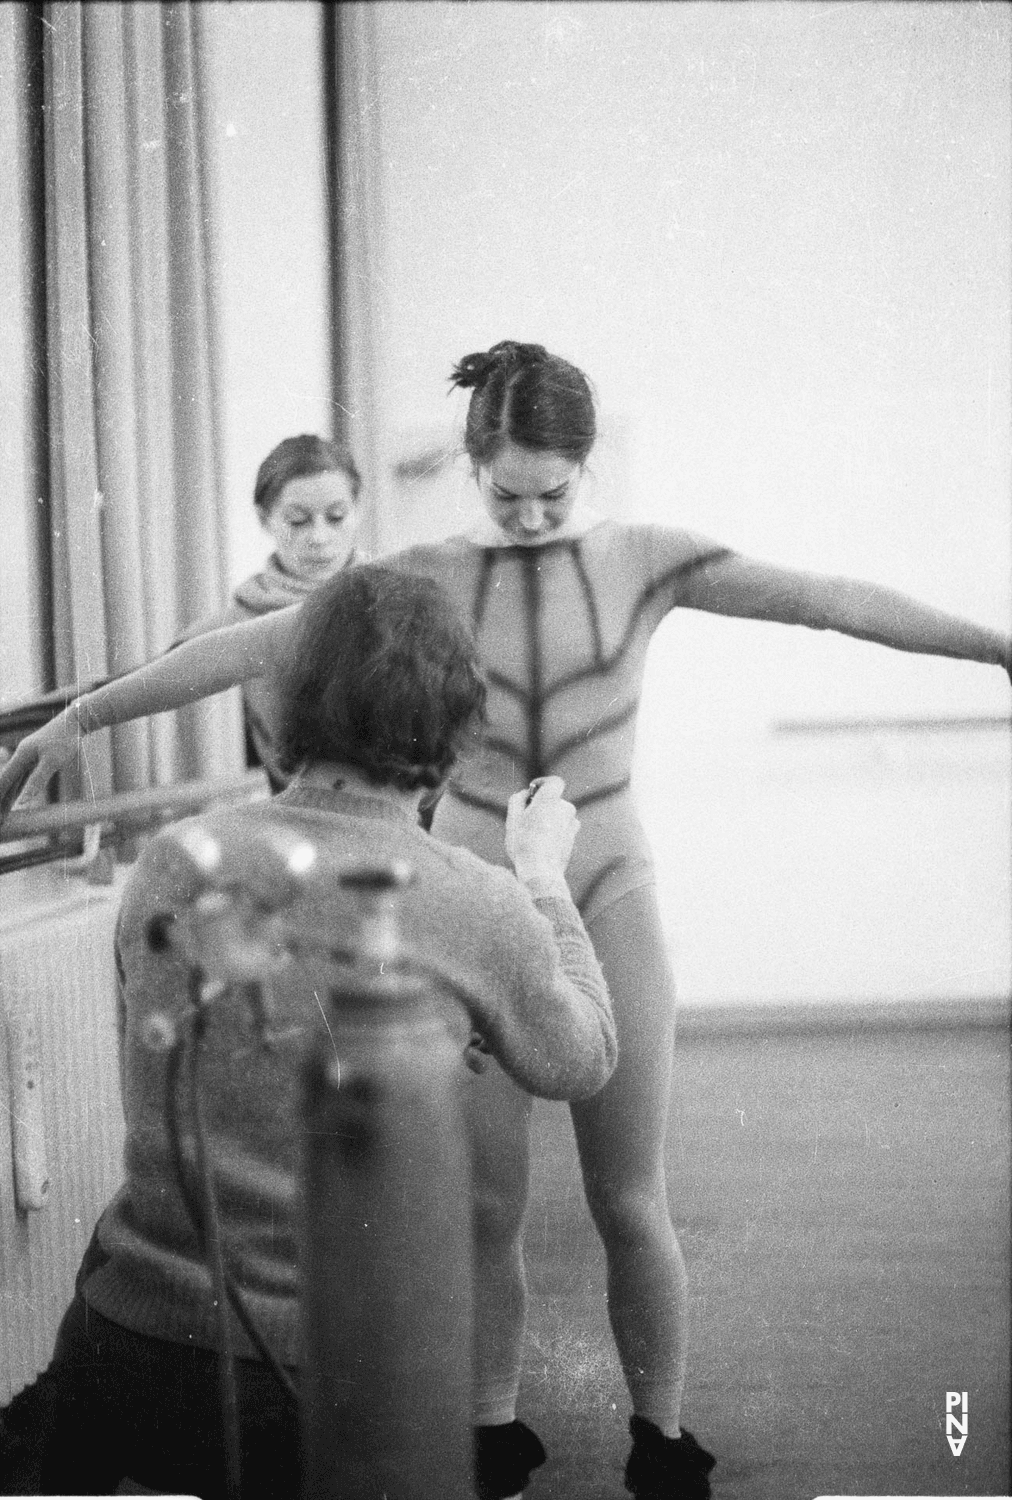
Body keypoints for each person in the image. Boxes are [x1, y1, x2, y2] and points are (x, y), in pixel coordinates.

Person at [2, 341, 1010, 1500]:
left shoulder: (648, 560)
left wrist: (992, 644)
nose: (531, 515)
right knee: (482, 1204)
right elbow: (251, 645)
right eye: (506, 492)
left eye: (555, 492)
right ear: (471, 467)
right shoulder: (422, 575)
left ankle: (661, 1434)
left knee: (631, 1195)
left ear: (587, 470)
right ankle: (487, 1429)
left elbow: (827, 602)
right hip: (474, 883)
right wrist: (83, 715)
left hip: (604, 875)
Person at [0, 564, 615, 1500]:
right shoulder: (477, 901)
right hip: (322, 1385)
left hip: (128, 1349)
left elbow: (226, 1044)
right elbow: (583, 1058)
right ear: (453, 732)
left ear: (292, 707)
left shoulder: (174, 860)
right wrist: (544, 879)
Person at [178, 432, 362, 791]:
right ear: (265, 520)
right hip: (294, 814)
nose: (319, 537)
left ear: (358, 510)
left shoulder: (398, 599)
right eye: (298, 520)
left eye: (336, 517)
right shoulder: (239, 621)